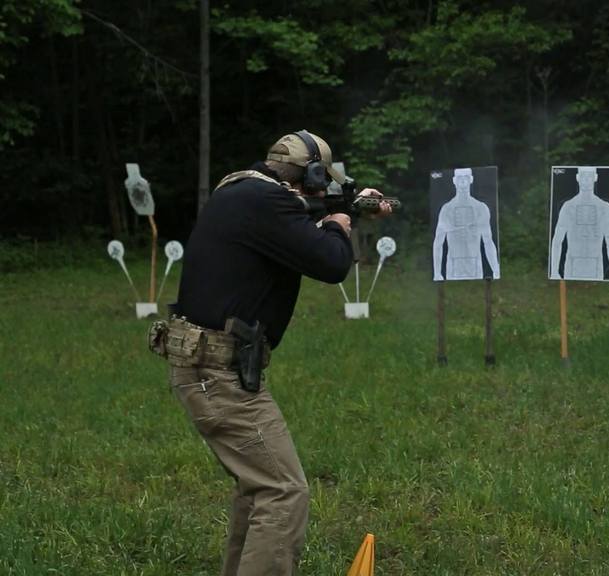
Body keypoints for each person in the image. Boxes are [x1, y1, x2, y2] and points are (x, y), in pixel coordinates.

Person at [150, 130, 390, 575]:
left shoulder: (241, 190)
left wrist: (348, 201)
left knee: (257, 489)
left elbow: (301, 217)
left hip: (211, 367)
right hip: (217, 371)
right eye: (322, 182)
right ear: (311, 176)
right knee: (283, 491)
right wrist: (340, 221)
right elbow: (332, 263)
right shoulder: (267, 203)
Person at [549, 166, 609, 281]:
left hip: (596, 265)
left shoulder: (604, 208)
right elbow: (557, 240)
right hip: (572, 265)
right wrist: (554, 271)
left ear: (595, 178)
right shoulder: (568, 207)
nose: (586, 180)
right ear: (578, 178)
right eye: (583, 176)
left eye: (589, 176)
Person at [432, 167, 500, 280]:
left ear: (471, 179)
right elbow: (438, 242)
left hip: (475, 264)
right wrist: (437, 273)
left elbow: (488, 242)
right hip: (453, 266)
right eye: (459, 178)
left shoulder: (480, 208)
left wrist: (496, 269)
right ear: (454, 180)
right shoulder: (447, 209)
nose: (463, 182)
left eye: (466, 178)